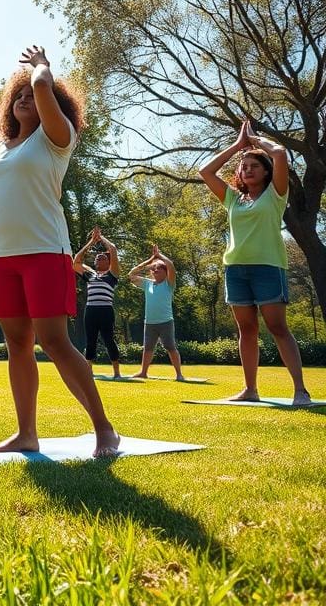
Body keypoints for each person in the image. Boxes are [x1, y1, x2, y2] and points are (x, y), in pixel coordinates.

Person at [0, 46, 118, 457]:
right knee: (17, 345)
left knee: (55, 342)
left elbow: (41, 84)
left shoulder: (56, 139)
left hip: (44, 251)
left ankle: (104, 429)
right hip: (0, 255)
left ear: (52, 106)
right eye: (17, 95)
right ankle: (26, 433)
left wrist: (42, 67)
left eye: (33, 95)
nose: (25, 97)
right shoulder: (2, 148)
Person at [199, 120, 312, 405]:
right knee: (246, 330)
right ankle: (250, 389)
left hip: (268, 268)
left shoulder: (276, 195)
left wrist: (256, 141)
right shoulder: (234, 200)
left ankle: (300, 390)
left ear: (266, 172)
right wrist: (237, 146)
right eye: (244, 166)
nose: (247, 169)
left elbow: (280, 154)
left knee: (277, 327)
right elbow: (205, 171)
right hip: (236, 270)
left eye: (254, 166)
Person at [127, 246, 185, 380]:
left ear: (165, 272)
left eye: (160, 268)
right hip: (150, 323)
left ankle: (179, 374)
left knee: (171, 347)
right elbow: (131, 275)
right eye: (154, 269)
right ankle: (143, 373)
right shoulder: (147, 284)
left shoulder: (169, 284)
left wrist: (160, 255)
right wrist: (150, 260)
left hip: (166, 322)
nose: (156, 270)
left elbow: (170, 265)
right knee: (147, 349)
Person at [72, 227, 122, 378]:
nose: (100, 258)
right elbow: (76, 262)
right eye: (98, 258)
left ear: (109, 262)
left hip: (106, 310)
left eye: (103, 258)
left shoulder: (112, 274)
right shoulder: (90, 275)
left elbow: (112, 249)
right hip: (91, 311)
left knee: (109, 340)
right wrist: (91, 243)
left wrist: (101, 238)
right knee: (90, 341)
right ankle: (89, 371)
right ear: (94, 263)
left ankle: (117, 373)